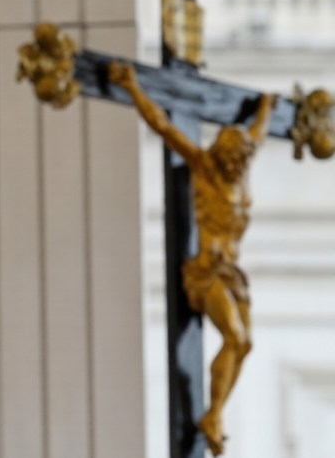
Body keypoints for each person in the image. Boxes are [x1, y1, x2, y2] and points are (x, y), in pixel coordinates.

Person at [109, 62, 275, 456]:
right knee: (235, 336)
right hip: (205, 272)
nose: (239, 163)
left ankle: (215, 413)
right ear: (222, 153)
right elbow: (164, 127)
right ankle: (213, 414)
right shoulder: (204, 166)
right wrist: (133, 87)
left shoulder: (240, 172)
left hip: (232, 272)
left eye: (243, 158)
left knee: (245, 343)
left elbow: (258, 135)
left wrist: (267, 108)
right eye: (235, 157)